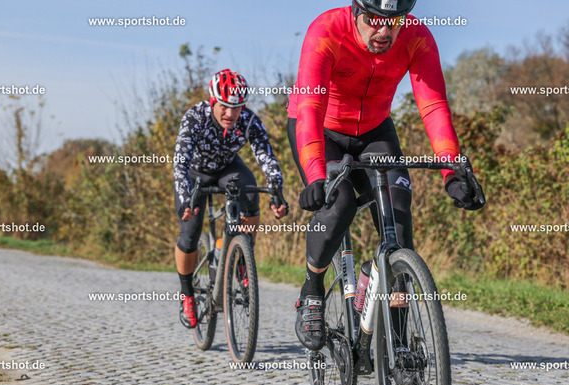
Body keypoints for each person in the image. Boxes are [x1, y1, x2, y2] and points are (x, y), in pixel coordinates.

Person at [288, 0, 482, 350]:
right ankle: (312, 290)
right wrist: (316, 175)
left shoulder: (417, 37)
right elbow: (310, 107)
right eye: (374, 20)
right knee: (340, 204)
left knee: (399, 221)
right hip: (321, 129)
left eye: (394, 21)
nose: (384, 31)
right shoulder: (326, 31)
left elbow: (433, 106)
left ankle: (400, 345)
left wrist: (452, 172)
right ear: (355, 12)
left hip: (374, 131)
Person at [174, 69, 288, 328]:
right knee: (189, 235)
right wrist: (185, 198)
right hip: (195, 173)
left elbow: (267, 157)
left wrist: (277, 192)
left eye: (236, 107)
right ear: (213, 102)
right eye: (224, 106)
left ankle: (242, 259)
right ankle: (187, 295)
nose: (230, 113)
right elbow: (180, 163)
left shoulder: (249, 120)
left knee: (249, 190)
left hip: (227, 168)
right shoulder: (195, 118)